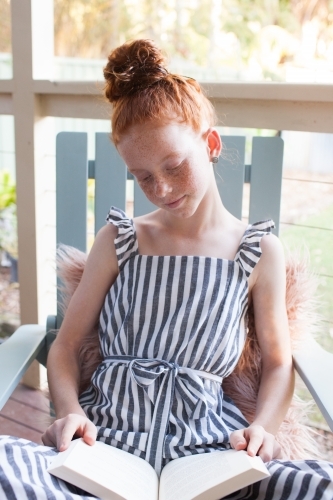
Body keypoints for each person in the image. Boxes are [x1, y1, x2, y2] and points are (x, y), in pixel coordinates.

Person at [0, 39, 332, 500]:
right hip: (104, 443)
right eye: (143, 176)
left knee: (317, 487)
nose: (161, 187)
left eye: (174, 165)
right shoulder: (120, 241)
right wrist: (70, 411)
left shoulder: (257, 252)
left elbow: (277, 362)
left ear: (210, 143)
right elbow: (68, 344)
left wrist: (263, 428)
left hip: (211, 451)